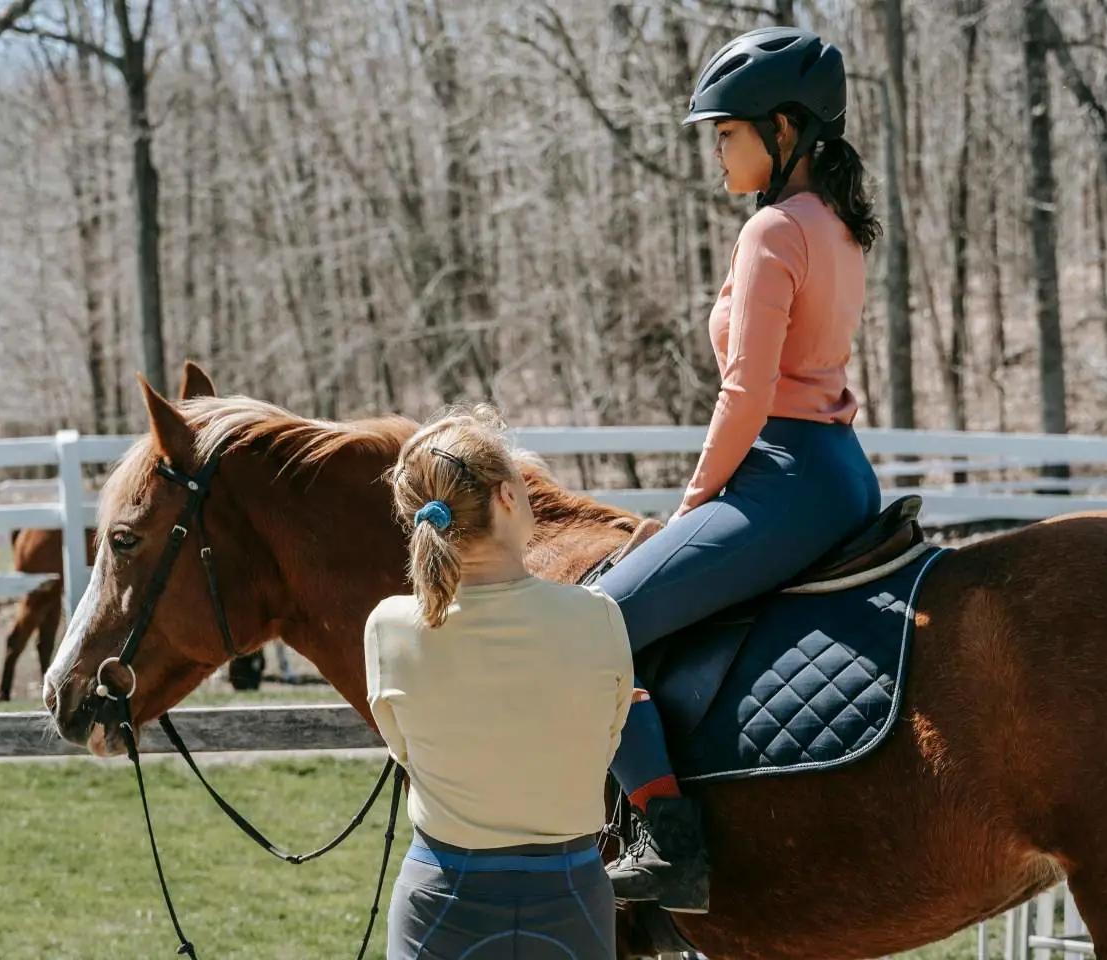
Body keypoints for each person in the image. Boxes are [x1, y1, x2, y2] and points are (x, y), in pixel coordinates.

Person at [598, 26, 885, 914]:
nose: (717, 148)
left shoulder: (771, 230)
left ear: (785, 130)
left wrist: (693, 504)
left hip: (784, 477)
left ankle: (668, 839)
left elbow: (744, 396)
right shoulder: (835, 224)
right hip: (843, 473)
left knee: (595, 624)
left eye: (728, 131)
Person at [365, 404, 633, 959]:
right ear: (507, 498)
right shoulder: (598, 616)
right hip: (571, 894)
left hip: (442, 894)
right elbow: (608, 740)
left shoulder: (388, 627)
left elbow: (404, 751)